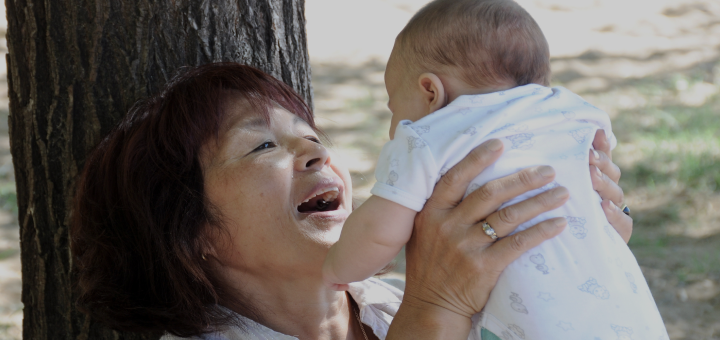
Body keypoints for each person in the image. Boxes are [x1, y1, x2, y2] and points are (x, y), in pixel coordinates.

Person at [71, 62, 632, 340]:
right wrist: (437, 307)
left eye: (312, 137)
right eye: (262, 145)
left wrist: (583, 245)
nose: (316, 155)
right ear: (192, 233)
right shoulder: (423, 302)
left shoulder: (384, 306)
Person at [322, 1, 667, 339]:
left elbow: (381, 231)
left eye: (393, 107)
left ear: (430, 92)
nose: (393, 126)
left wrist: (339, 268)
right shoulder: (575, 113)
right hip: (626, 310)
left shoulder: (427, 136)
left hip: (531, 320)